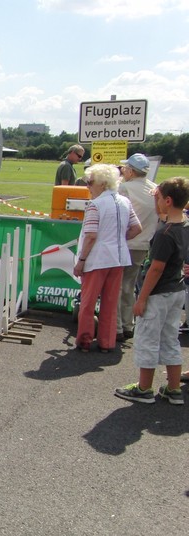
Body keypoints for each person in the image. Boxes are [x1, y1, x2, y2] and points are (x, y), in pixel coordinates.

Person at [114, 177, 189, 405]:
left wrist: (142, 299)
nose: (155, 202)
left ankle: (144, 388)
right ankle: (173, 388)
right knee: (170, 339)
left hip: (158, 294)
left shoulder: (165, 234)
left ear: (167, 201)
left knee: (147, 339)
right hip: (176, 290)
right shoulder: (184, 225)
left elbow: (156, 268)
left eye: (157, 198)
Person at [73, 164, 142, 352]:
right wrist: (119, 239)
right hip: (118, 258)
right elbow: (137, 228)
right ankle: (107, 342)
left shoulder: (95, 205)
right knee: (110, 303)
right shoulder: (125, 202)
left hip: (97, 259)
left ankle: (85, 340)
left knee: (87, 303)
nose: (88, 186)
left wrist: (81, 261)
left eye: (90, 182)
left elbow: (91, 236)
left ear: (102, 183)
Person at [116, 153, 158, 341]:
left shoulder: (124, 188)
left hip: (124, 242)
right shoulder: (155, 188)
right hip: (142, 244)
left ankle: (116, 326)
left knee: (117, 286)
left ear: (131, 171)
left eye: (126, 168)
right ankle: (128, 324)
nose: (124, 171)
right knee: (129, 285)